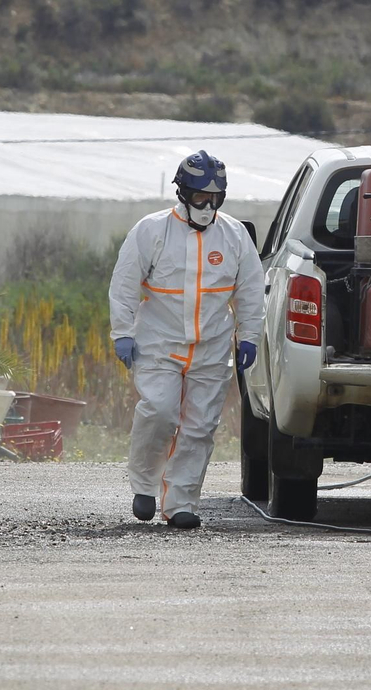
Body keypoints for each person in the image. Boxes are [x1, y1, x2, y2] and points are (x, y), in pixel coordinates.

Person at [108, 150, 265, 529]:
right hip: (159, 344)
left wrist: (250, 336)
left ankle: (181, 503)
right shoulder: (151, 230)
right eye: (200, 197)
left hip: (211, 348)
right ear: (183, 193)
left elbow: (250, 288)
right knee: (159, 411)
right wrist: (123, 333)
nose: (207, 206)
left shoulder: (234, 235)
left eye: (215, 199)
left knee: (200, 427)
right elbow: (125, 284)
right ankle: (145, 487)